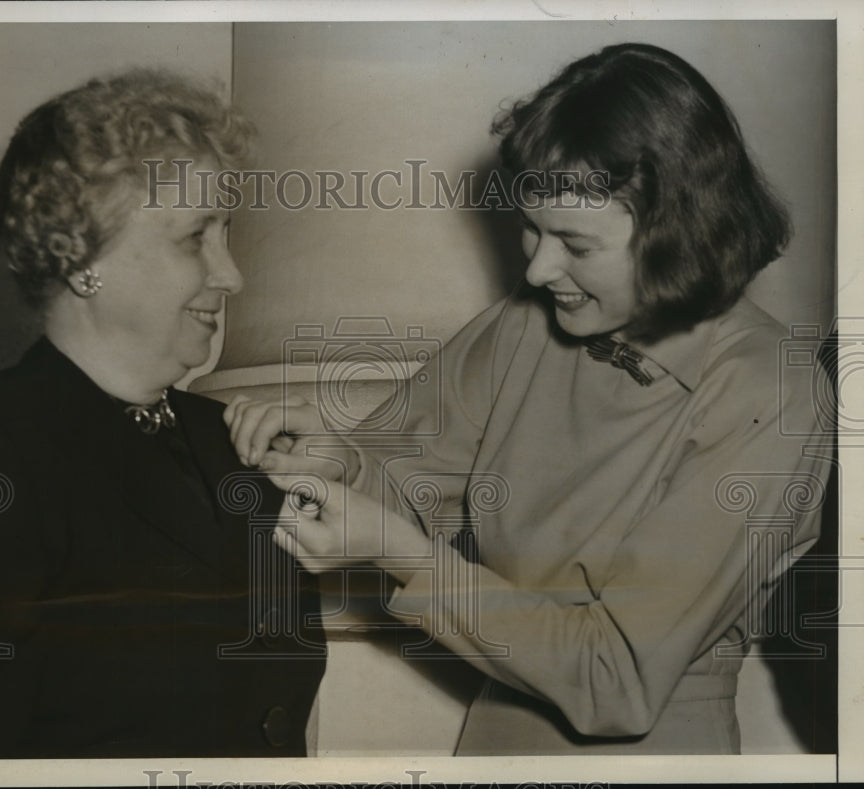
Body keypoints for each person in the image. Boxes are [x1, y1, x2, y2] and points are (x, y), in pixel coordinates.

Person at [225, 43, 832, 754]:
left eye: (575, 244)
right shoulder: (529, 324)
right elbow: (409, 478)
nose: (539, 269)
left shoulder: (770, 386)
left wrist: (405, 556)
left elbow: (616, 678)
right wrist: (341, 463)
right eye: (531, 228)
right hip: (493, 739)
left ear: (677, 231)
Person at [0, 69, 325, 758]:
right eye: (195, 237)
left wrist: (338, 476)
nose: (232, 275)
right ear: (81, 258)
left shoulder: (227, 439)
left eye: (227, 234)